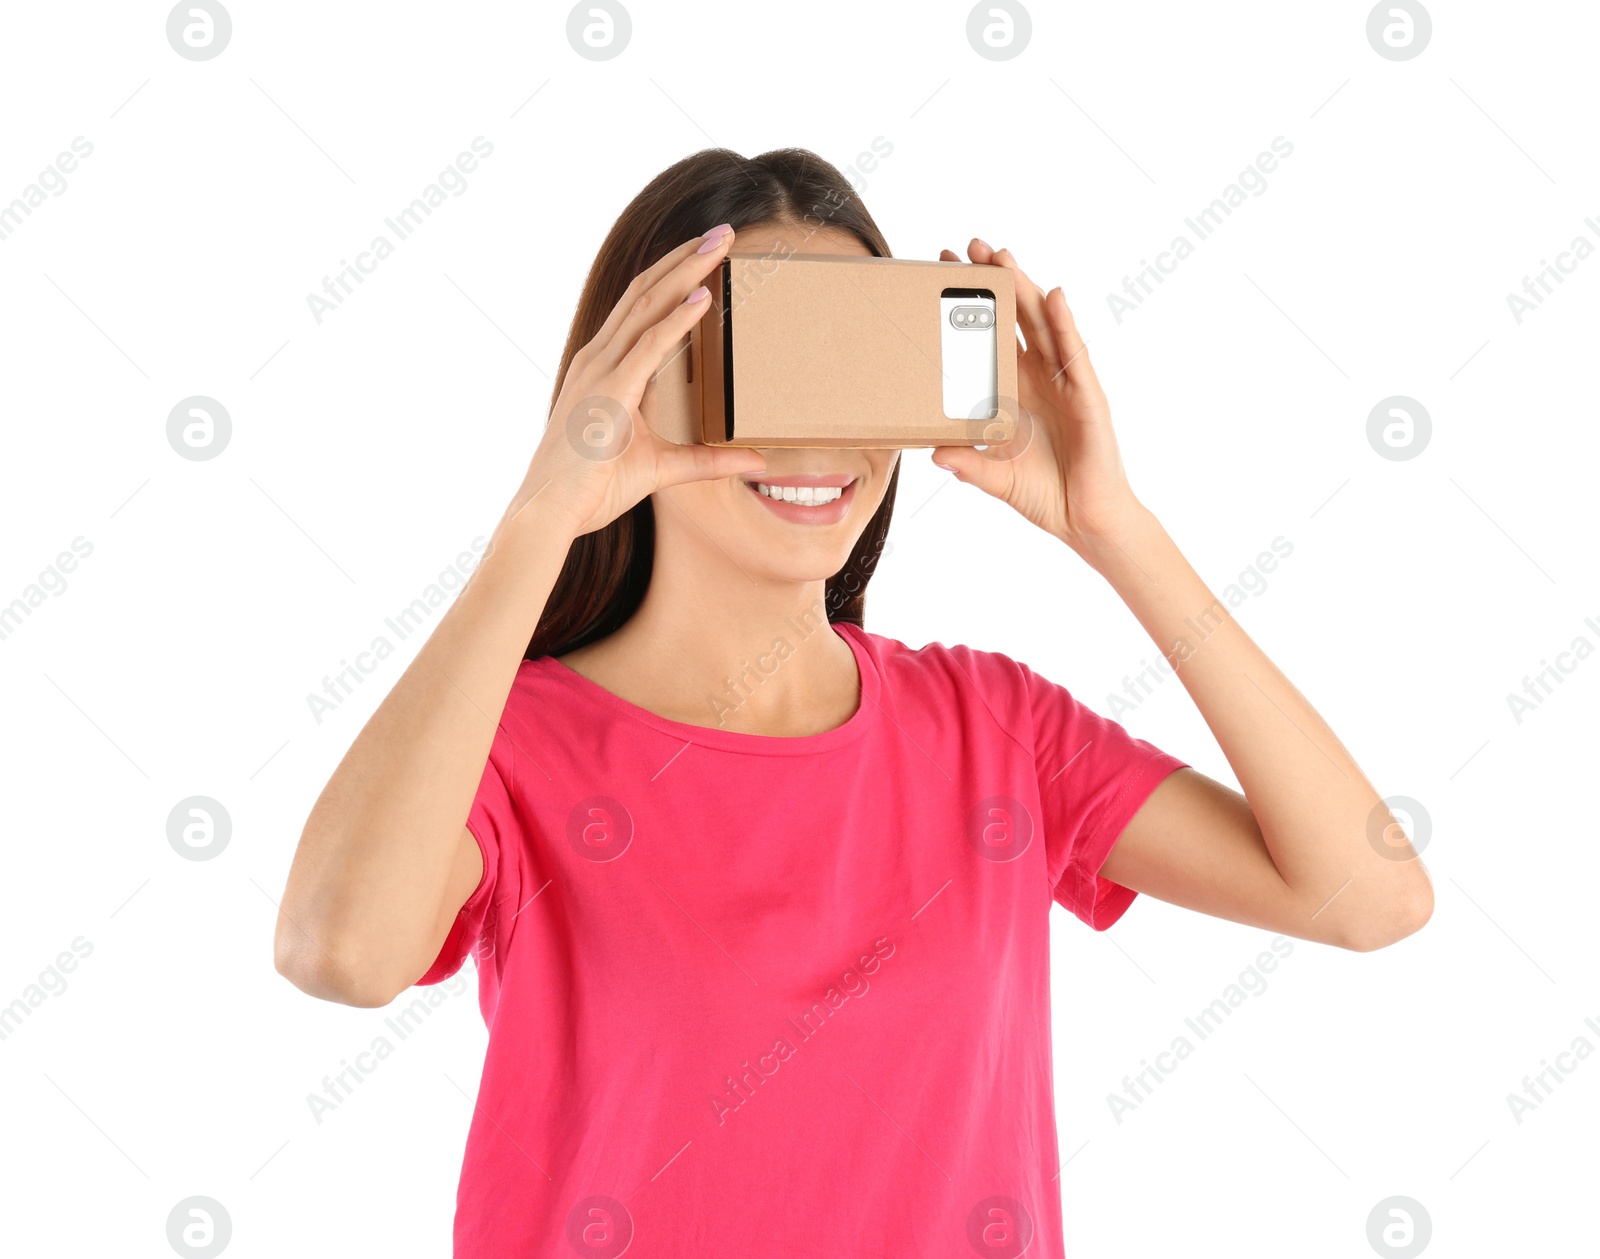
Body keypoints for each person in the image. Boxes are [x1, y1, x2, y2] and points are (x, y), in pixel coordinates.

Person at [274, 147, 1432, 1258]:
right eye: (768, 360)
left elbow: (1367, 893)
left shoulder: (994, 727)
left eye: (852, 365)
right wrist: (539, 519)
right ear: (641, 384)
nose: (819, 435)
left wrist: (1113, 528)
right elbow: (339, 951)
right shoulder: (511, 740)